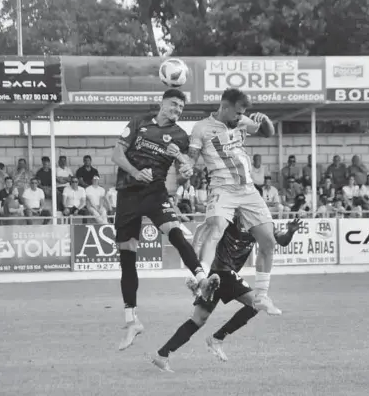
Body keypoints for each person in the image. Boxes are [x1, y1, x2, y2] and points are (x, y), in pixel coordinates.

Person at [111, 88, 219, 351]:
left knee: (174, 230)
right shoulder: (139, 122)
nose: (176, 110)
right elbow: (117, 155)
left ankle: (201, 279)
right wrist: (136, 173)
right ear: (162, 103)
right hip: (128, 193)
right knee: (127, 257)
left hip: (155, 192)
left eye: (180, 108)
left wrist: (182, 160)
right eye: (173, 104)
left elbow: (186, 172)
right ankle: (131, 321)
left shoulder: (180, 136)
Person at [151, 215, 302, 372]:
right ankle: (217, 338)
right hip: (221, 270)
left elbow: (281, 240)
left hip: (217, 275)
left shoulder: (261, 222)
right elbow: (205, 227)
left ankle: (162, 355)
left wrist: (290, 232)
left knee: (198, 320)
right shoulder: (230, 218)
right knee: (257, 303)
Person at [186, 88, 280, 315]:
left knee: (268, 241)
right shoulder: (202, 128)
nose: (240, 117)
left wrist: (265, 120)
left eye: (243, 113)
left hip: (248, 190)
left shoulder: (242, 121)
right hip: (222, 188)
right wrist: (187, 166)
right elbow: (191, 158)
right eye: (237, 113)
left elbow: (269, 133)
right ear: (224, 107)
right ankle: (200, 281)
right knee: (216, 228)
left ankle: (261, 296)